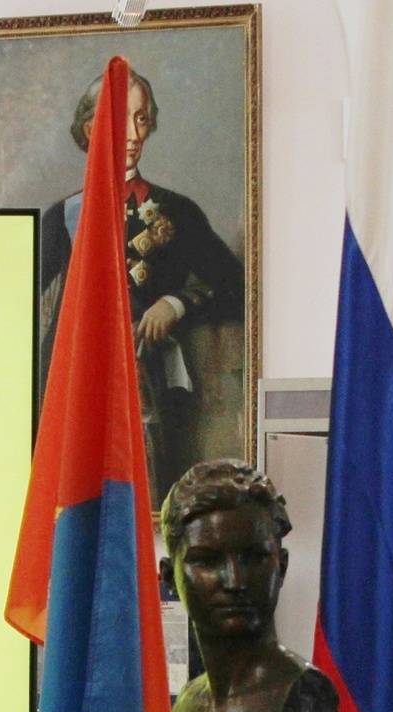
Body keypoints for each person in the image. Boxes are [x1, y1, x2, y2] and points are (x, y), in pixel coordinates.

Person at [36, 65, 245, 505]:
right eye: (120, 119)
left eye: (142, 118)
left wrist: (176, 303)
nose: (133, 134)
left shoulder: (177, 211)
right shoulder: (62, 217)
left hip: (146, 383)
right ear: (91, 129)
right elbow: (22, 298)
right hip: (73, 384)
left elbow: (236, 286)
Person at [153, 460, 339, 712]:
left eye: (253, 558)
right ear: (169, 577)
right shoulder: (187, 704)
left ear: (282, 567)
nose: (234, 581)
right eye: (208, 561)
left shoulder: (304, 695)